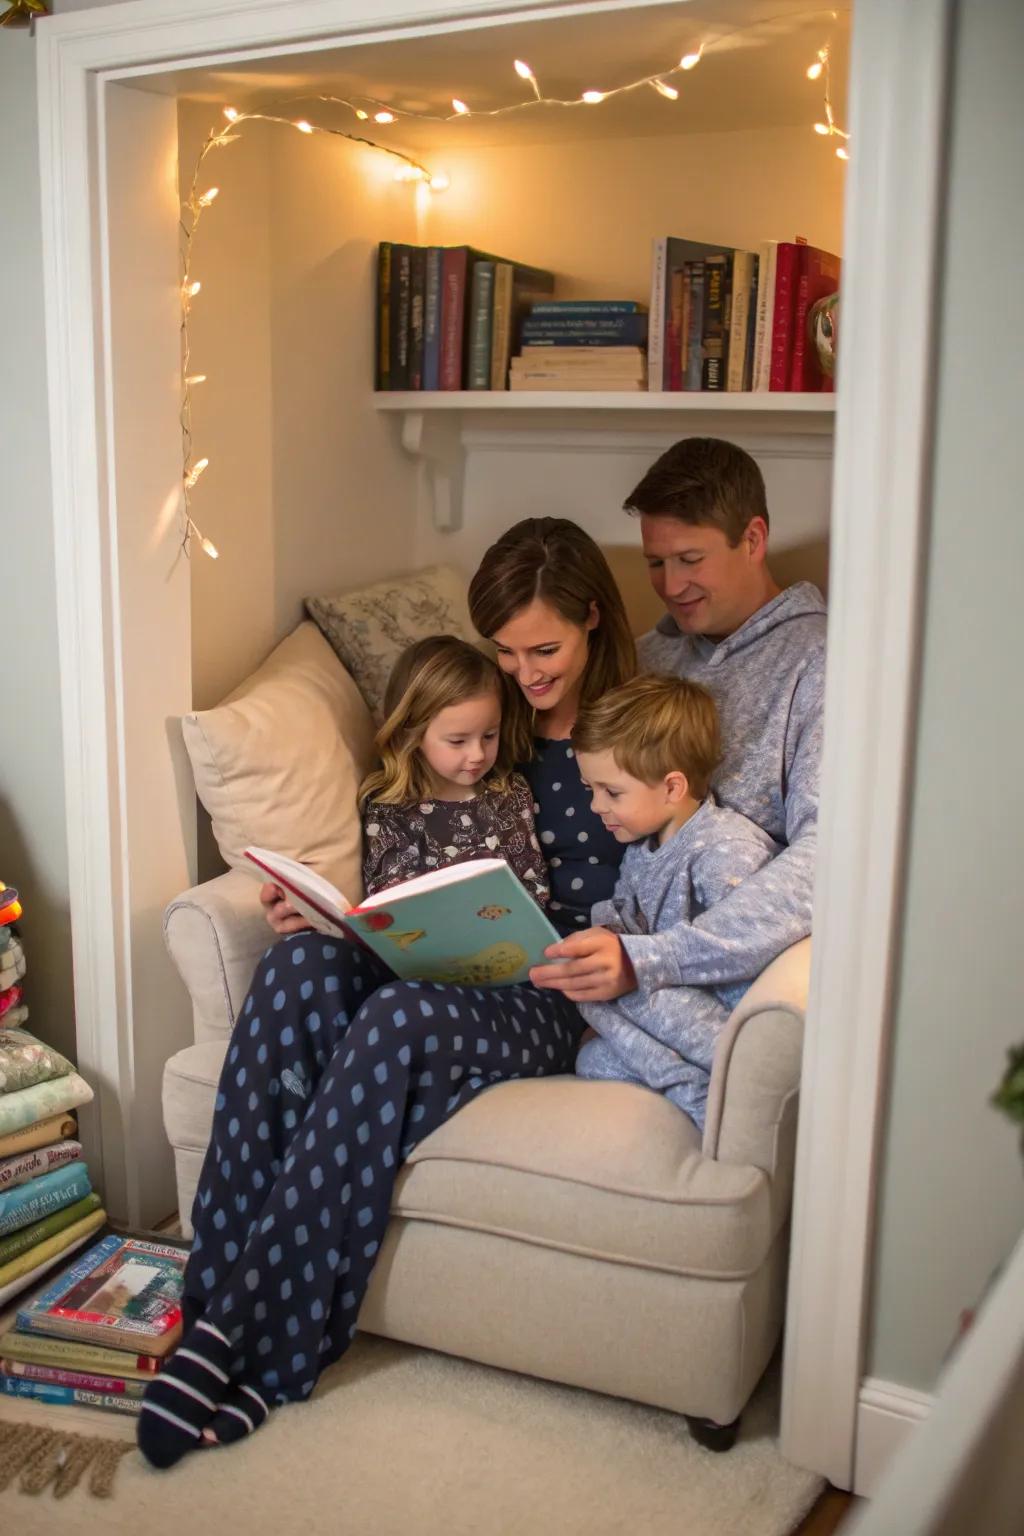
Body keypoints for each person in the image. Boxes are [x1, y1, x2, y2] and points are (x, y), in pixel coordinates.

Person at [138, 519, 635, 1469]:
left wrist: (628, 953)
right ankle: (210, 1298)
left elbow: (690, 863)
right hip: (441, 957)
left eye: (545, 649)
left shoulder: (636, 725)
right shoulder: (495, 726)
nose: (524, 672)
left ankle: (259, 1344)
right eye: (505, 650)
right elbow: (415, 725)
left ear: (595, 626)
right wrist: (325, 915)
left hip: (551, 985)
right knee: (294, 970)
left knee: (398, 1018)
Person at [530, 436, 826, 1006]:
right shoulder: (648, 656)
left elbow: (826, 858)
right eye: (655, 563)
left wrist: (650, 961)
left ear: (754, 540)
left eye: (690, 560)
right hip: (608, 930)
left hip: (703, 968)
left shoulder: (818, 665)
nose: (669, 586)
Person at [570, 674, 779, 1130]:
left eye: (611, 792)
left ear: (672, 788)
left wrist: (629, 970)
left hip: (718, 1023)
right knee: (591, 1057)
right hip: (666, 1012)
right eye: (591, 790)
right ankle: (677, 1077)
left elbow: (745, 964)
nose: (596, 807)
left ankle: (696, 1091)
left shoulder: (725, 847)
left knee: (602, 990)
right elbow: (624, 916)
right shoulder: (639, 849)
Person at [358, 634, 548, 907]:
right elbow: (391, 905)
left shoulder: (511, 792)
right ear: (411, 734)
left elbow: (535, 885)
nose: (478, 755)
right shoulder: (390, 809)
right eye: (458, 741)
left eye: (489, 735)